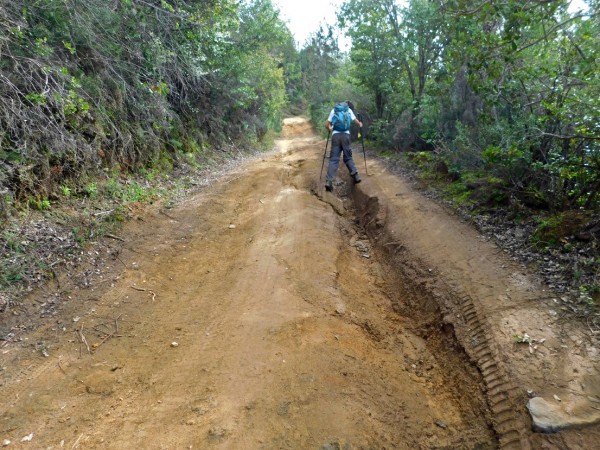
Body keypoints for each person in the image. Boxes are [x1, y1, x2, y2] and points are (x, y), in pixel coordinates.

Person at [324, 101, 363, 192]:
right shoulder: (348, 110)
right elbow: (356, 122)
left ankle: (328, 181)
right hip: (346, 136)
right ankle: (356, 176)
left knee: (334, 159)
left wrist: (330, 129)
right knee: (348, 157)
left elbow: (327, 125)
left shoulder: (334, 110)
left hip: (336, 136)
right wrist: (360, 124)